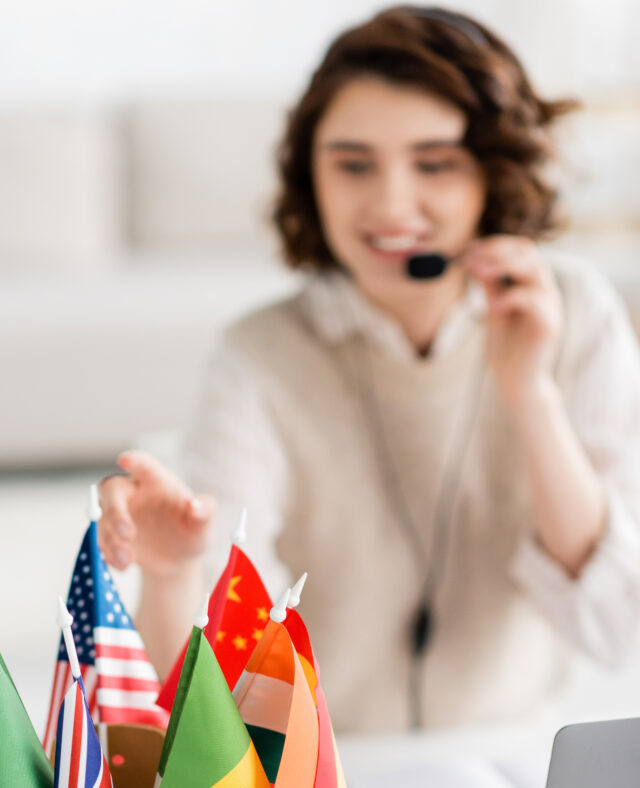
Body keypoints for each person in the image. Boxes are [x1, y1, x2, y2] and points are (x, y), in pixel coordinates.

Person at [99, 5, 640, 732]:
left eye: (435, 163)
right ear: (312, 177)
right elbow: (203, 702)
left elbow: (615, 627)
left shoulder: (576, 312)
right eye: (353, 164)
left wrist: (530, 393)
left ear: (492, 172)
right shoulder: (258, 355)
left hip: (516, 757)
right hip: (321, 770)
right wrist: (170, 575)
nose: (390, 203)